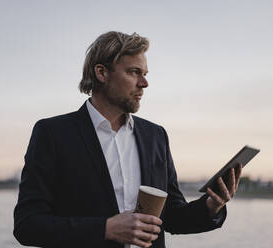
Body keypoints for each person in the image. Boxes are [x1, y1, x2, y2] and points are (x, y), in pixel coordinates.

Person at [13, 31, 242, 248]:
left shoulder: (156, 136)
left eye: (145, 74)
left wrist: (211, 206)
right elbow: (27, 225)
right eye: (134, 72)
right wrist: (105, 229)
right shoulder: (53, 134)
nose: (144, 83)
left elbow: (171, 217)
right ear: (101, 73)